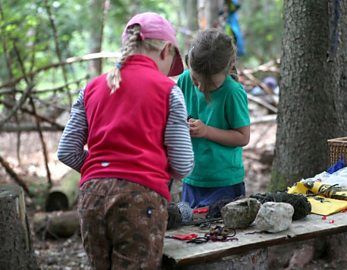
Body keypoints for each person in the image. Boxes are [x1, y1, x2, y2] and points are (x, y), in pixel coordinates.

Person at [57, 12, 193, 269]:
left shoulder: (90, 88)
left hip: (91, 199)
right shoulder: (168, 91)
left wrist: (102, 170)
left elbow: (67, 151)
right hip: (140, 200)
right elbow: (183, 163)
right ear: (166, 50)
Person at [177, 29, 251, 208]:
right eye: (196, 80)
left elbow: (243, 137)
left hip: (224, 181)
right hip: (192, 177)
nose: (201, 88)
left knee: (220, 232)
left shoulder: (232, 92)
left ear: (230, 67)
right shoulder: (185, 80)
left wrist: (206, 131)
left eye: (210, 83)